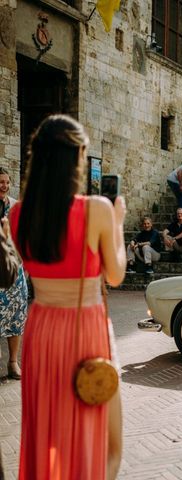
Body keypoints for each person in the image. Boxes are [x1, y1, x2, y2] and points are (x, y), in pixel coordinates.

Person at [10, 114, 125, 479]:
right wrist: (118, 224)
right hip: (84, 328)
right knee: (106, 437)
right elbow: (116, 274)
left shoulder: (16, 214)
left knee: (47, 432)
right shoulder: (97, 210)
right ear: (76, 157)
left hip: (42, 330)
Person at [0, 168, 27, 380]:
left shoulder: (16, 207)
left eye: (7, 182)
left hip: (15, 271)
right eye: (1, 182)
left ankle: (12, 363)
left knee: (16, 316)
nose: (5, 185)